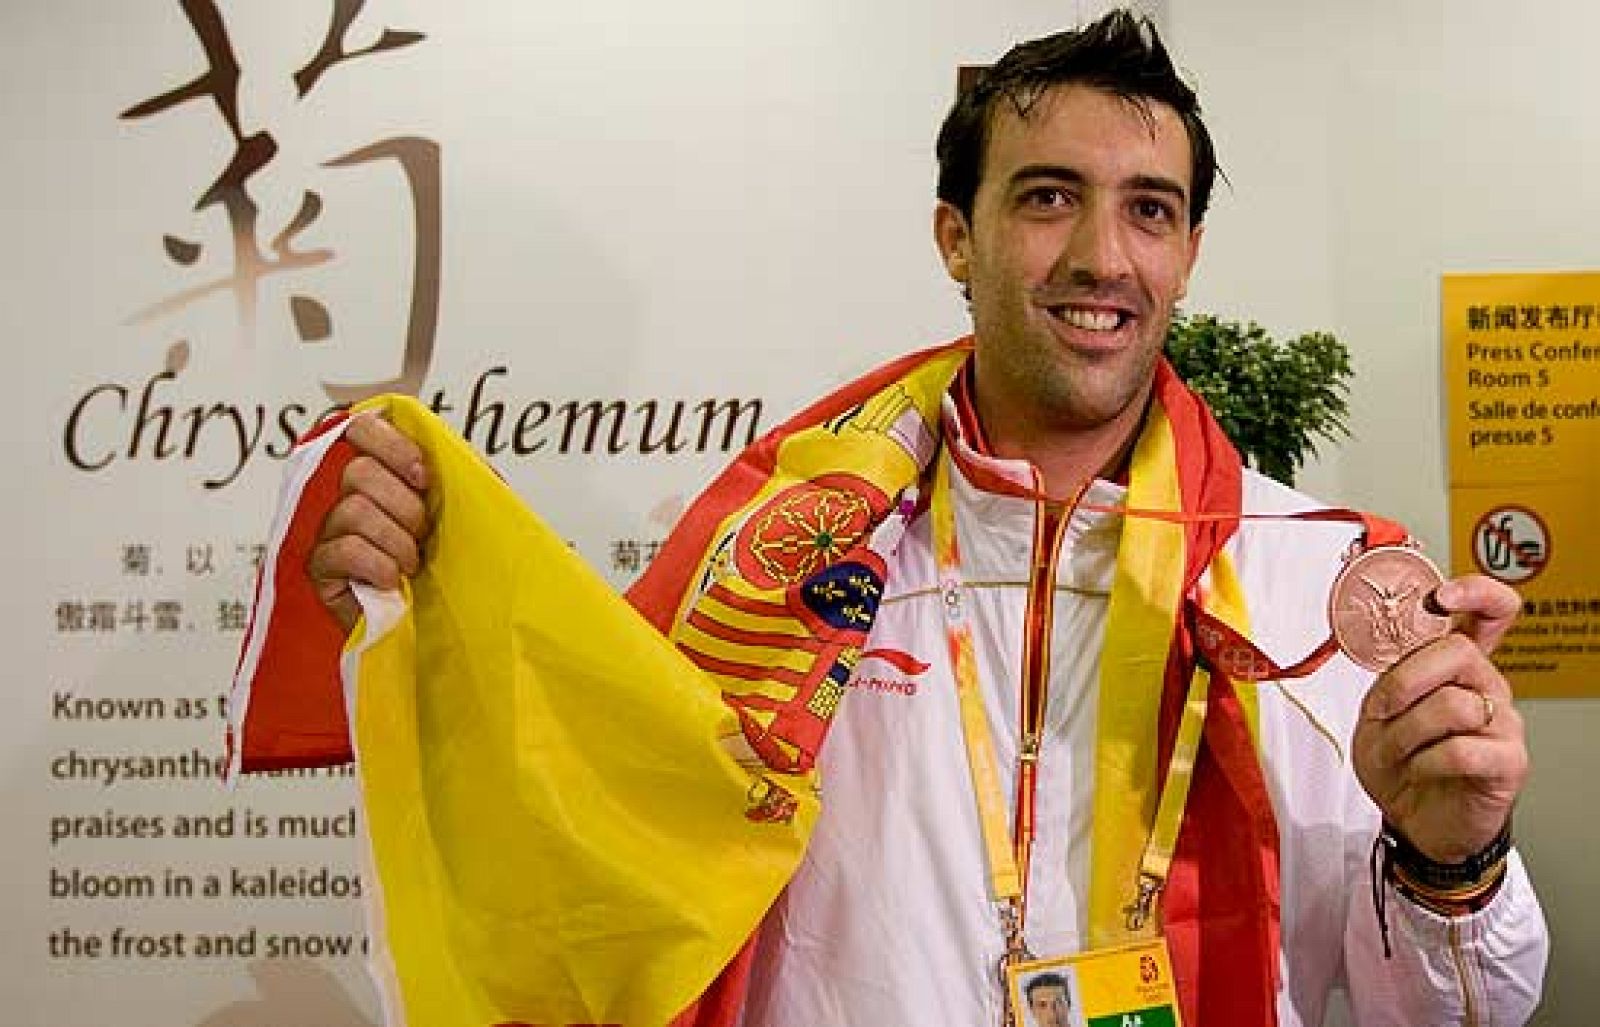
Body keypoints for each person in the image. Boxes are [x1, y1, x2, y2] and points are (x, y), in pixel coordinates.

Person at [297, 9, 1548, 1025]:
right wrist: (428, 626)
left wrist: (1452, 862)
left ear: (1188, 253)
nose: (1101, 257)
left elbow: (1452, 1014)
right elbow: (597, 845)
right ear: (958, 234)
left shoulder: (1321, 584)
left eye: (1148, 209)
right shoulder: (772, 556)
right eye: (1048, 198)